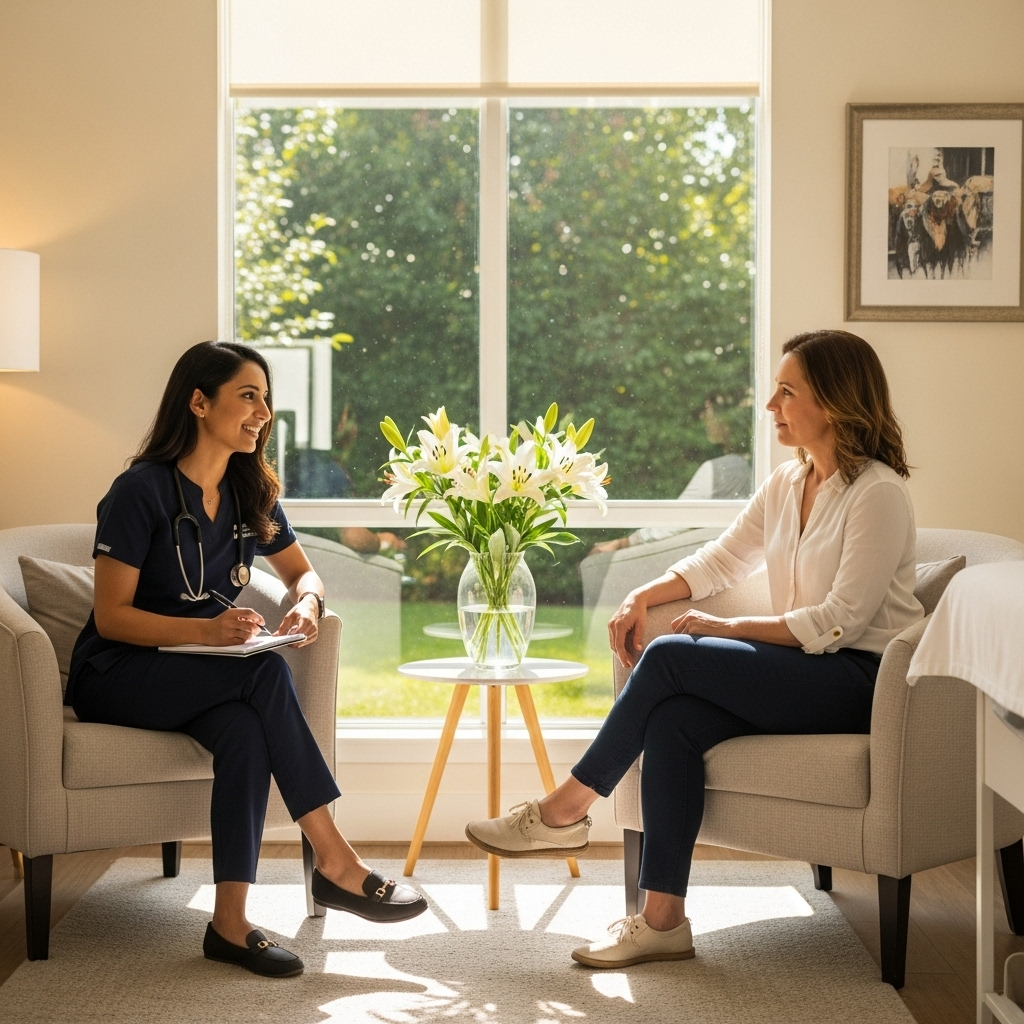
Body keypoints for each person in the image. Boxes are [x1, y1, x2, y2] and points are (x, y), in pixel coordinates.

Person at [465, 329, 924, 969]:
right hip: (802, 672)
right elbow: (722, 559)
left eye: (787, 392)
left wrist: (729, 630)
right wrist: (642, 598)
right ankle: (662, 922)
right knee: (674, 723)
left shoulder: (877, 492)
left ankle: (565, 808)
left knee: (672, 656)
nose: (771, 406)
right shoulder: (790, 483)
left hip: (859, 680)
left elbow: (841, 620)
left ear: (835, 402)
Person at [66, 341, 427, 979]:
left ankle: (229, 924)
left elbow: (304, 574)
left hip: (192, 678)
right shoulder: (140, 490)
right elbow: (111, 617)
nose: (262, 412)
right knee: (262, 671)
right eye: (248, 395)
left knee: (243, 731)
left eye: (266, 398)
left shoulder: (249, 490)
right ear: (199, 402)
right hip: (117, 674)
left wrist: (308, 608)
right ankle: (337, 863)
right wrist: (207, 633)